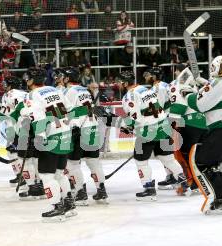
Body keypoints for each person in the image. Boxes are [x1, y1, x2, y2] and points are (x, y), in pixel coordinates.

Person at [119, 70, 186, 201]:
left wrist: (125, 126)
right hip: (163, 127)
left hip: (147, 131)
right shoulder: (147, 89)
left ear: (125, 82)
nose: (118, 84)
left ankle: (149, 190)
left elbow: (134, 117)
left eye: (120, 82)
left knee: (141, 161)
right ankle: (184, 182)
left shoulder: (129, 96)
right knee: (168, 159)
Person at [185, 55, 222, 213]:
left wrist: (188, 94)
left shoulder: (219, 82)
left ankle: (221, 199)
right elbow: (219, 93)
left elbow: (201, 105)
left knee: (203, 162)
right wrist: (206, 86)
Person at [23, 67, 75, 222]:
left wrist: (39, 138)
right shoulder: (55, 90)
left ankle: (57, 207)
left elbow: (38, 118)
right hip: (65, 134)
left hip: (51, 136)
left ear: (31, 80)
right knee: (60, 173)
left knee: (47, 175)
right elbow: (70, 109)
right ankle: (69, 205)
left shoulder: (32, 95)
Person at [62, 67, 108, 206]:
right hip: (91, 127)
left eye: (64, 76)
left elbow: (64, 111)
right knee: (94, 162)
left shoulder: (68, 91)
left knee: (72, 164)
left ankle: (80, 193)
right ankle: (102, 191)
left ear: (68, 78)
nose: (62, 78)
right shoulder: (85, 90)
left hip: (78, 129)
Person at [168, 65, 207, 194]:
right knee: (199, 157)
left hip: (190, 125)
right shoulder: (197, 87)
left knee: (185, 156)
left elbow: (178, 107)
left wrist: (171, 127)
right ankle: (204, 182)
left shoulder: (177, 85)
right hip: (204, 125)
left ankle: (193, 183)